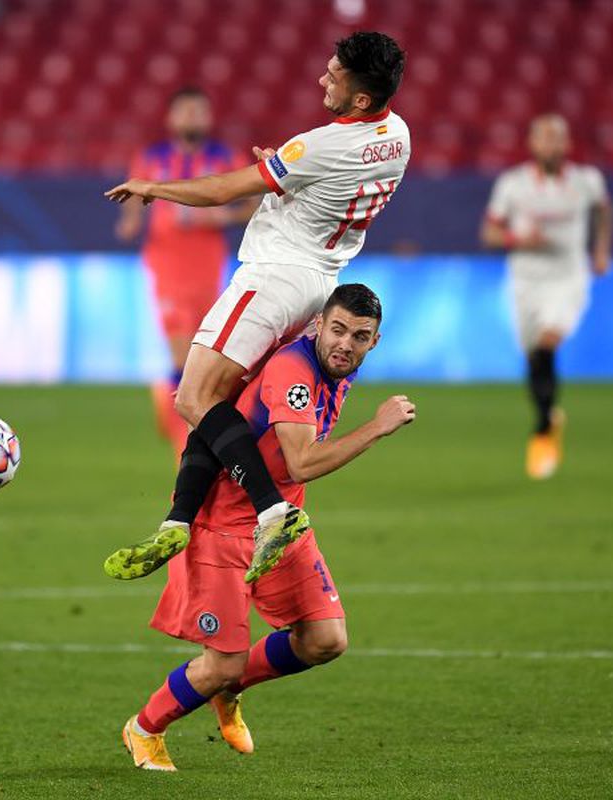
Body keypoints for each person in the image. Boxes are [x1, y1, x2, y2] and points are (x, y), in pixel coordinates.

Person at [103, 32, 409, 582]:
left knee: (193, 395)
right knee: (221, 403)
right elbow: (327, 186)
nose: (323, 79)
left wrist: (155, 188)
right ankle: (177, 522)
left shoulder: (316, 146)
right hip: (318, 281)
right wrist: (289, 183)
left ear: (361, 98)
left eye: (334, 75)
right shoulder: (398, 136)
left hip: (272, 279)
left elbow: (225, 190)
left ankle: (273, 510)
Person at [119, 284, 416, 772]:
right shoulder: (293, 372)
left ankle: (230, 690)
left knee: (325, 640)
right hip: (223, 524)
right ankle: (145, 728)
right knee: (221, 662)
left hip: (281, 521)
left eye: (359, 336)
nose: (346, 343)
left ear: (374, 342)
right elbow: (299, 462)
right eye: (337, 329)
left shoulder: (335, 367)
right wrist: (376, 427)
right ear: (318, 324)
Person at [117, 87, 256, 457]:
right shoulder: (151, 158)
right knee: (183, 354)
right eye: (186, 111)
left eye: (199, 111)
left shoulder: (226, 158)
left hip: (209, 264)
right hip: (166, 264)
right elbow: (133, 209)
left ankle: (172, 407)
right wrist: (130, 220)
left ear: (209, 118)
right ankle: (187, 439)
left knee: (203, 351)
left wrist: (221, 215)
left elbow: (257, 203)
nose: (192, 117)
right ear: (172, 118)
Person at [481, 114, 613, 480]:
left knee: (547, 344)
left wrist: (601, 250)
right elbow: (490, 233)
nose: (552, 145)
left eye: (558, 138)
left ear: (567, 144)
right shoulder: (513, 185)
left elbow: (605, 210)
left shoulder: (586, 181)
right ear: (532, 144)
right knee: (534, 360)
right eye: (545, 138)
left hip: (568, 278)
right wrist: (518, 240)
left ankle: (541, 432)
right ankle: (549, 415)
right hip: (525, 281)